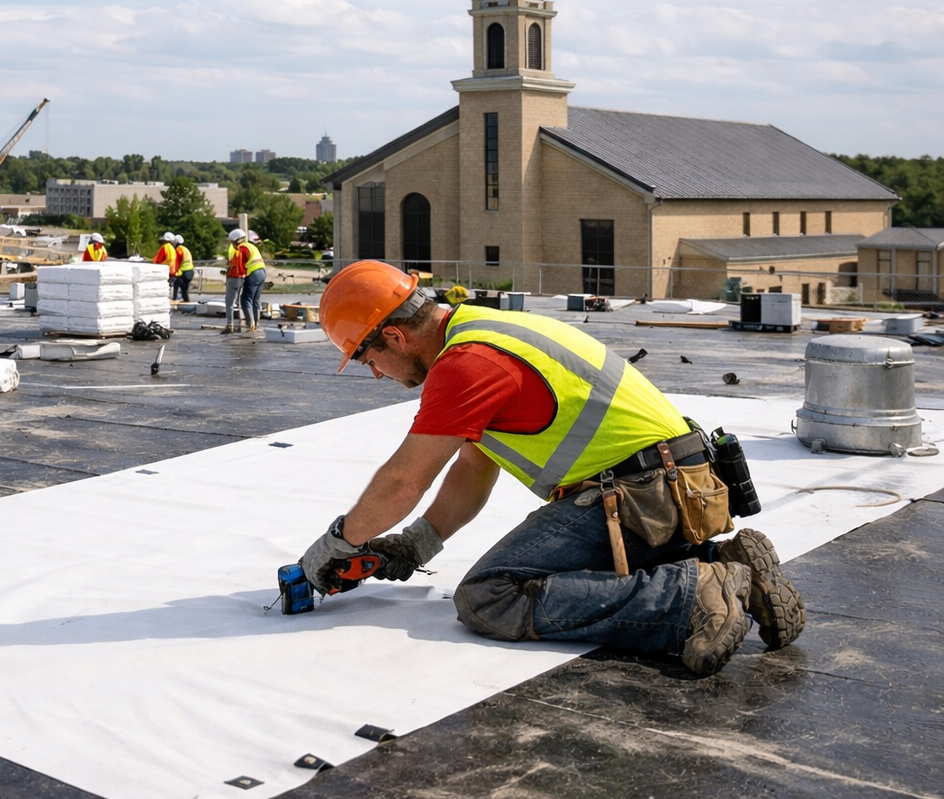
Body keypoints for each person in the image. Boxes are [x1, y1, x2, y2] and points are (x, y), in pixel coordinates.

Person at [298, 260, 805, 677]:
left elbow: (405, 479)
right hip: (681, 485)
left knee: (487, 597)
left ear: (394, 336)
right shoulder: (485, 327)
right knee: (575, 573)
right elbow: (473, 469)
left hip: (637, 492)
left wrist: (338, 544)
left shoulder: (465, 364)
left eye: (367, 358)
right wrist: (415, 545)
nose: (373, 373)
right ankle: (724, 560)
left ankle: (693, 595)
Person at [238, 230, 267, 336]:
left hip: (253, 273)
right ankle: (256, 322)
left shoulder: (242, 248)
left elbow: (241, 263)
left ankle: (250, 324)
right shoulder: (251, 246)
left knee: (246, 299)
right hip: (262, 271)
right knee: (256, 299)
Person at [221, 228, 245, 334]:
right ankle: (242, 324)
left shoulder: (236, 251)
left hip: (234, 277)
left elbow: (233, 265)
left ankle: (229, 324)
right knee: (240, 302)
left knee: (229, 303)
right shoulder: (246, 249)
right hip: (243, 278)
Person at [152, 232, 178, 297]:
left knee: (161, 291)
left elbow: (157, 260)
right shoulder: (173, 249)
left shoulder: (165, 247)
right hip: (173, 273)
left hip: (164, 273)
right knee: (167, 291)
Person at [173, 234, 194, 303]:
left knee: (176, 283)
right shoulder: (185, 249)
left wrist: (174, 272)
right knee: (184, 289)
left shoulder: (179, 250)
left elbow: (177, 262)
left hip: (184, 271)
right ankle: (186, 301)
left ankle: (174, 299)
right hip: (190, 271)